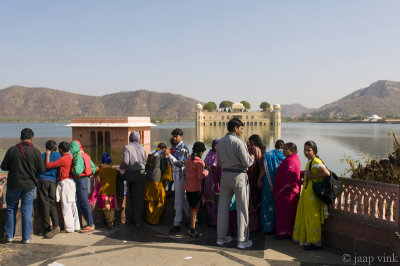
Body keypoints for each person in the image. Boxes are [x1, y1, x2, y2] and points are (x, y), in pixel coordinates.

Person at [1, 128, 46, 244]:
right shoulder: (35, 152)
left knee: (11, 209)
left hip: (13, 184)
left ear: (21, 138)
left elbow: (4, 166)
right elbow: (42, 169)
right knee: (26, 211)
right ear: (32, 138)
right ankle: (26, 238)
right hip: (29, 186)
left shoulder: (12, 150)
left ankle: (9, 236)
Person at [216, 118, 254, 249]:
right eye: (241, 128)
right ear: (236, 128)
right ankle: (242, 241)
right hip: (238, 176)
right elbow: (247, 162)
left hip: (225, 175)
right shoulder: (239, 142)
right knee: (242, 208)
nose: (242, 131)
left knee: (222, 208)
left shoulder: (220, 142)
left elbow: (219, 161)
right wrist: (252, 159)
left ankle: (220, 238)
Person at [293, 140, 330, 250]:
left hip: (313, 194)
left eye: (308, 150)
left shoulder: (315, 161)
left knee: (313, 217)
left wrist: (312, 177)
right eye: (304, 150)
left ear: (314, 151)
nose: (306, 152)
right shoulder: (310, 161)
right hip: (308, 193)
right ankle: (309, 241)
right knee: (307, 216)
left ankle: (316, 243)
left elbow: (326, 173)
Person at [46, 141, 80, 234]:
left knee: (66, 205)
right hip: (71, 182)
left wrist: (48, 155)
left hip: (65, 182)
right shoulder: (70, 158)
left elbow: (49, 165)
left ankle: (69, 227)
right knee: (73, 204)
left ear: (61, 150)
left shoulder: (63, 158)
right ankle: (76, 225)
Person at [273, 142, 301, 239]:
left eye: (286, 149)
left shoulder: (290, 161)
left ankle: (284, 233)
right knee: (286, 213)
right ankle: (286, 232)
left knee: (285, 214)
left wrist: (281, 187)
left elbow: (289, 176)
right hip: (288, 192)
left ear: (292, 151)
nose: (283, 151)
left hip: (287, 192)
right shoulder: (292, 159)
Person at [165, 128, 190, 234]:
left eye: (176, 136)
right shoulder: (175, 148)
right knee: (183, 200)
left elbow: (180, 164)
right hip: (176, 177)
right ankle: (191, 220)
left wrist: (169, 155)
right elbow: (172, 163)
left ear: (181, 137)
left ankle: (176, 224)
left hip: (181, 177)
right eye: (173, 136)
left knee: (178, 201)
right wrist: (168, 156)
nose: (174, 138)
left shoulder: (183, 148)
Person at [119, 131, 146, 226]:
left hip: (131, 175)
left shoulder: (127, 147)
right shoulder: (142, 147)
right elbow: (144, 161)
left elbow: (126, 162)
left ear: (130, 138)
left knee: (129, 195)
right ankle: (138, 220)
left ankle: (120, 197)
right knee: (138, 198)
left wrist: (121, 168)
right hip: (141, 174)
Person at [258, 139, 285, 233]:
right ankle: (278, 228)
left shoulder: (268, 155)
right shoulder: (286, 156)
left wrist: (258, 180)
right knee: (279, 205)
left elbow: (263, 170)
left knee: (267, 204)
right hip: (281, 186)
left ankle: (266, 228)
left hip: (268, 184)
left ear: (275, 146)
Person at [70, 140, 96, 232]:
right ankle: (89, 223)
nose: (71, 150)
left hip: (80, 181)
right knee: (81, 203)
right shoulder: (86, 155)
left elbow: (77, 171)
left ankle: (90, 224)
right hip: (86, 180)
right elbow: (93, 168)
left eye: (71, 148)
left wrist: (71, 170)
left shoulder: (78, 157)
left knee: (83, 203)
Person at [184, 142, 208, 238]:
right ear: (201, 152)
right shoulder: (200, 162)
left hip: (188, 187)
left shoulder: (188, 159)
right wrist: (207, 171)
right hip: (196, 188)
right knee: (194, 210)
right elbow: (200, 177)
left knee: (191, 208)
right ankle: (192, 230)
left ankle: (191, 227)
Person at [37, 140, 61, 238]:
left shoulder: (42, 155)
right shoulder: (59, 156)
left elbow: (37, 168)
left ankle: (46, 228)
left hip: (42, 180)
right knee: (52, 203)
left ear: (47, 148)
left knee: (44, 204)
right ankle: (56, 225)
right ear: (55, 147)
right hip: (53, 181)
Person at [95, 153, 121, 229]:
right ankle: (111, 221)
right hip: (113, 191)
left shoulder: (100, 171)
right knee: (112, 207)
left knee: (106, 208)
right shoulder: (114, 170)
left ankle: (108, 221)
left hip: (104, 192)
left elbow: (98, 181)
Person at [144, 143, 168, 225]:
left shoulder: (151, 154)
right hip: (157, 180)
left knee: (150, 200)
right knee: (162, 200)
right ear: (164, 148)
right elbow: (163, 168)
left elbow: (146, 167)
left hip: (148, 179)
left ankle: (149, 219)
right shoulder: (161, 155)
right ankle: (153, 219)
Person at [246, 134, 265, 232]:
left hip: (251, 178)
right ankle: (256, 226)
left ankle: (251, 226)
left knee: (250, 203)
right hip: (258, 178)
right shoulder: (260, 150)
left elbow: (249, 164)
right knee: (256, 201)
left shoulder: (251, 149)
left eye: (249, 141)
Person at [203, 139, 221, 227]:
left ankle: (216, 221)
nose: (215, 147)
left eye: (218, 145)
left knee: (215, 202)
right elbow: (205, 164)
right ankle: (212, 220)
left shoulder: (220, 155)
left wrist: (211, 168)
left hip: (216, 180)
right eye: (215, 145)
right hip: (208, 180)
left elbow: (217, 167)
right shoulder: (209, 154)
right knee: (208, 200)